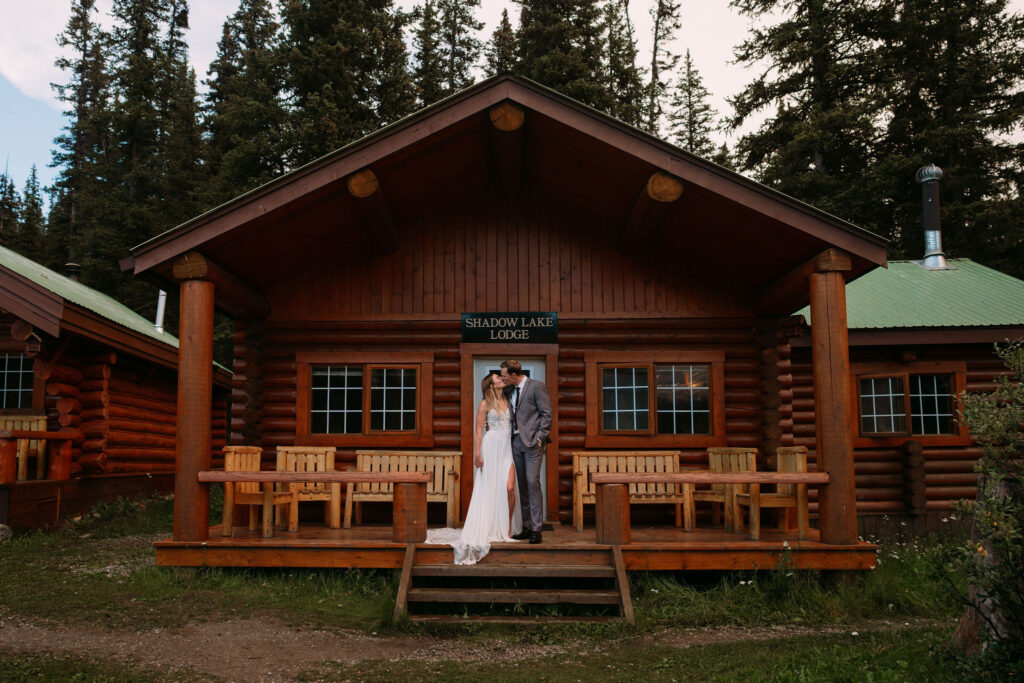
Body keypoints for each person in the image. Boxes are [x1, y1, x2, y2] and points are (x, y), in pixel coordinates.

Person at [426, 372, 521, 564]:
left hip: (507, 448)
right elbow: (478, 431)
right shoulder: (485, 404)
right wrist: (478, 454)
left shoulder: (509, 401)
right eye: (498, 379)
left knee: (510, 488)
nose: (502, 380)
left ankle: (508, 529)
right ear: (491, 385)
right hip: (491, 447)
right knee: (490, 489)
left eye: (502, 378)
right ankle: (490, 527)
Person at [500, 359, 552, 544]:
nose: (503, 378)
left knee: (532, 482)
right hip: (515, 443)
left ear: (514, 375)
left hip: (532, 444)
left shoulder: (537, 387)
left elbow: (547, 413)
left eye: (504, 375)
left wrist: (540, 438)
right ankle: (527, 527)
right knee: (521, 484)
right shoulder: (510, 390)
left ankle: (537, 529)